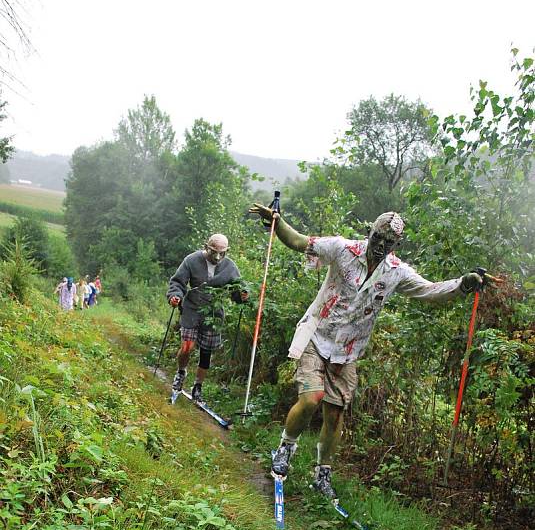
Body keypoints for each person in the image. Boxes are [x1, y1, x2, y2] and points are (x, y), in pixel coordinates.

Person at [249, 203, 489, 499]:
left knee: (335, 416)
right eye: (377, 238)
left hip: (348, 351)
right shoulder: (343, 249)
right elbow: (301, 242)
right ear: (369, 232)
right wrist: (277, 221)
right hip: (317, 335)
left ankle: (322, 474)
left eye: (389, 243)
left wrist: (463, 284)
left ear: (397, 245)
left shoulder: (396, 272)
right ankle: (286, 448)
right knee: (311, 398)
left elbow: (430, 291)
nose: (381, 246)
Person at [166, 233, 248, 402]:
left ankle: (198, 386)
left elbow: (238, 289)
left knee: (206, 352)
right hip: (192, 308)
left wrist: (243, 295)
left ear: (226, 251)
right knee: (187, 346)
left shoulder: (230, 267)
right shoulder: (191, 260)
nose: (218, 257)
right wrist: (175, 296)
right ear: (206, 247)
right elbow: (177, 282)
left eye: (222, 253)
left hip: (213, 312)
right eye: (214, 252)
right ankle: (181, 373)